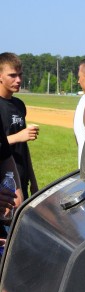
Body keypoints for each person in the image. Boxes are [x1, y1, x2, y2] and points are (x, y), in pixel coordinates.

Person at [0, 52, 39, 197]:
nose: (18, 80)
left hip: (21, 180)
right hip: (4, 185)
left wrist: (33, 182)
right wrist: (18, 136)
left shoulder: (19, 105)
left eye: (20, 75)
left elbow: (24, 147)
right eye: (12, 75)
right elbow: (17, 139)